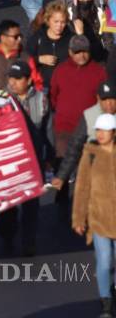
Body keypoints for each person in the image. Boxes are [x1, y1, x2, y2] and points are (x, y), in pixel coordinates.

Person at [2, 59, 51, 257]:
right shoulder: (1, 100)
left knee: (31, 205)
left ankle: (28, 242)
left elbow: (48, 129)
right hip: (9, 161)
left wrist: (50, 157)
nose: (13, 82)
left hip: (33, 159)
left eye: (18, 78)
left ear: (29, 80)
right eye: (11, 78)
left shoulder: (42, 99)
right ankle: (7, 237)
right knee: (8, 205)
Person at [72, 112, 116, 318]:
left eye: (105, 130)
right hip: (99, 218)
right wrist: (79, 218)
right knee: (104, 262)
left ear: (114, 132)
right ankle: (106, 302)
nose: (100, 133)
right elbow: (82, 188)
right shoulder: (90, 154)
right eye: (98, 129)